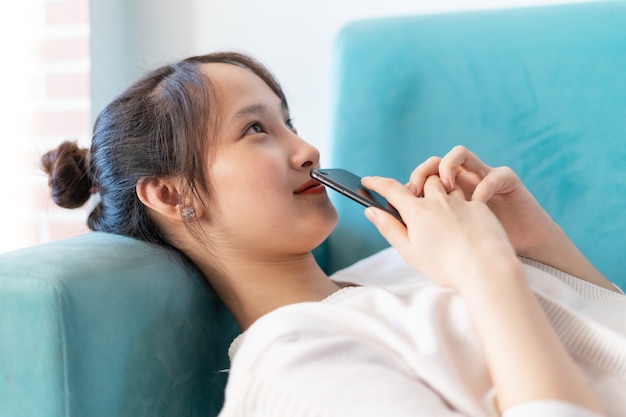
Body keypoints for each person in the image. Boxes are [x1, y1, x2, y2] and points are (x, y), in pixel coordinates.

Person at [41, 51, 625, 417]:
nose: (307, 149)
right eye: (254, 130)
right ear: (173, 195)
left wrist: (537, 245)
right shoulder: (293, 365)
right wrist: (486, 270)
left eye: (287, 121)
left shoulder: (398, 265)